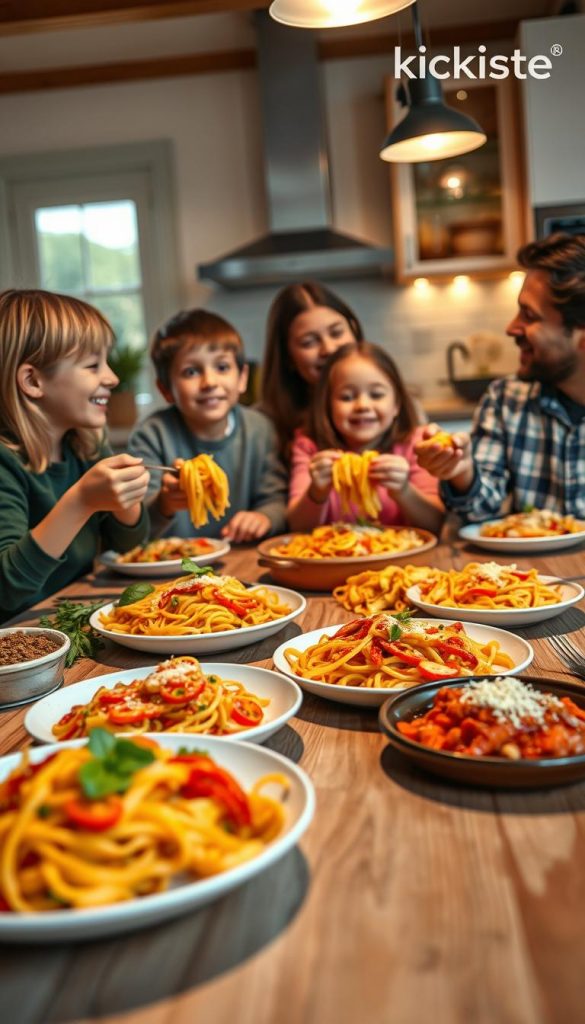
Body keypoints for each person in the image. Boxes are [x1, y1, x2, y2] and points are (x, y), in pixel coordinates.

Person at [0, 289, 150, 622]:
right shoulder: (4, 463)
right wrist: (81, 500)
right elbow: (7, 589)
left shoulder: (86, 444)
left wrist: (126, 500)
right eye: (93, 365)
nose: (111, 378)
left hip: (72, 617)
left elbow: (129, 549)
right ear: (33, 380)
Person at [416, 233, 585, 522]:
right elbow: (481, 508)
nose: (511, 328)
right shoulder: (505, 399)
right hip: (534, 569)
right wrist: (461, 470)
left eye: (529, 316)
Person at [129, 308, 287, 543]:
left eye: (222, 367)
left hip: (240, 558)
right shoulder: (152, 435)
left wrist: (263, 517)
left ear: (242, 378)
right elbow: (133, 527)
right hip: (172, 567)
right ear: (165, 390)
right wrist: (164, 504)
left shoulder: (259, 429)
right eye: (191, 372)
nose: (210, 382)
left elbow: (276, 500)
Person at [287, 341, 443, 534]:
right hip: (332, 559)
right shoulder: (308, 447)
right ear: (327, 406)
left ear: (397, 405)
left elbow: (435, 524)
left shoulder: (416, 444)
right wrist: (316, 492)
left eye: (376, 395)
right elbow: (297, 527)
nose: (362, 405)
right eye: (347, 397)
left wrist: (404, 491)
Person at [260, 281, 364, 463]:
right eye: (309, 342)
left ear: (354, 330)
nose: (329, 349)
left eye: (337, 333)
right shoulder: (265, 427)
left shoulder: (400, 405)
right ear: (287, 357)